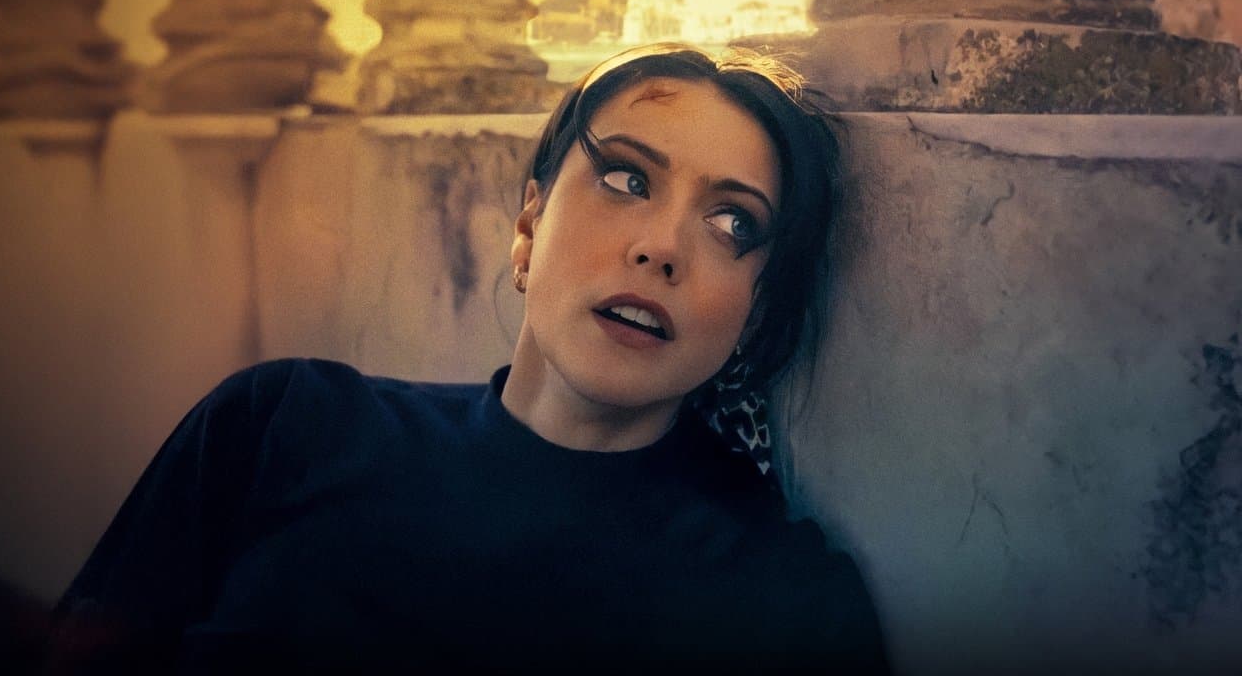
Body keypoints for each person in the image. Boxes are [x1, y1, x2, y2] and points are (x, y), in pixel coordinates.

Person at [46, 44, 889, 673]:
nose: (662, 247)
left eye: (734, 222)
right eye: (627, 179)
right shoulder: (282, 427)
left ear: (756, 310)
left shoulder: (790, 605)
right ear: (528, 227)